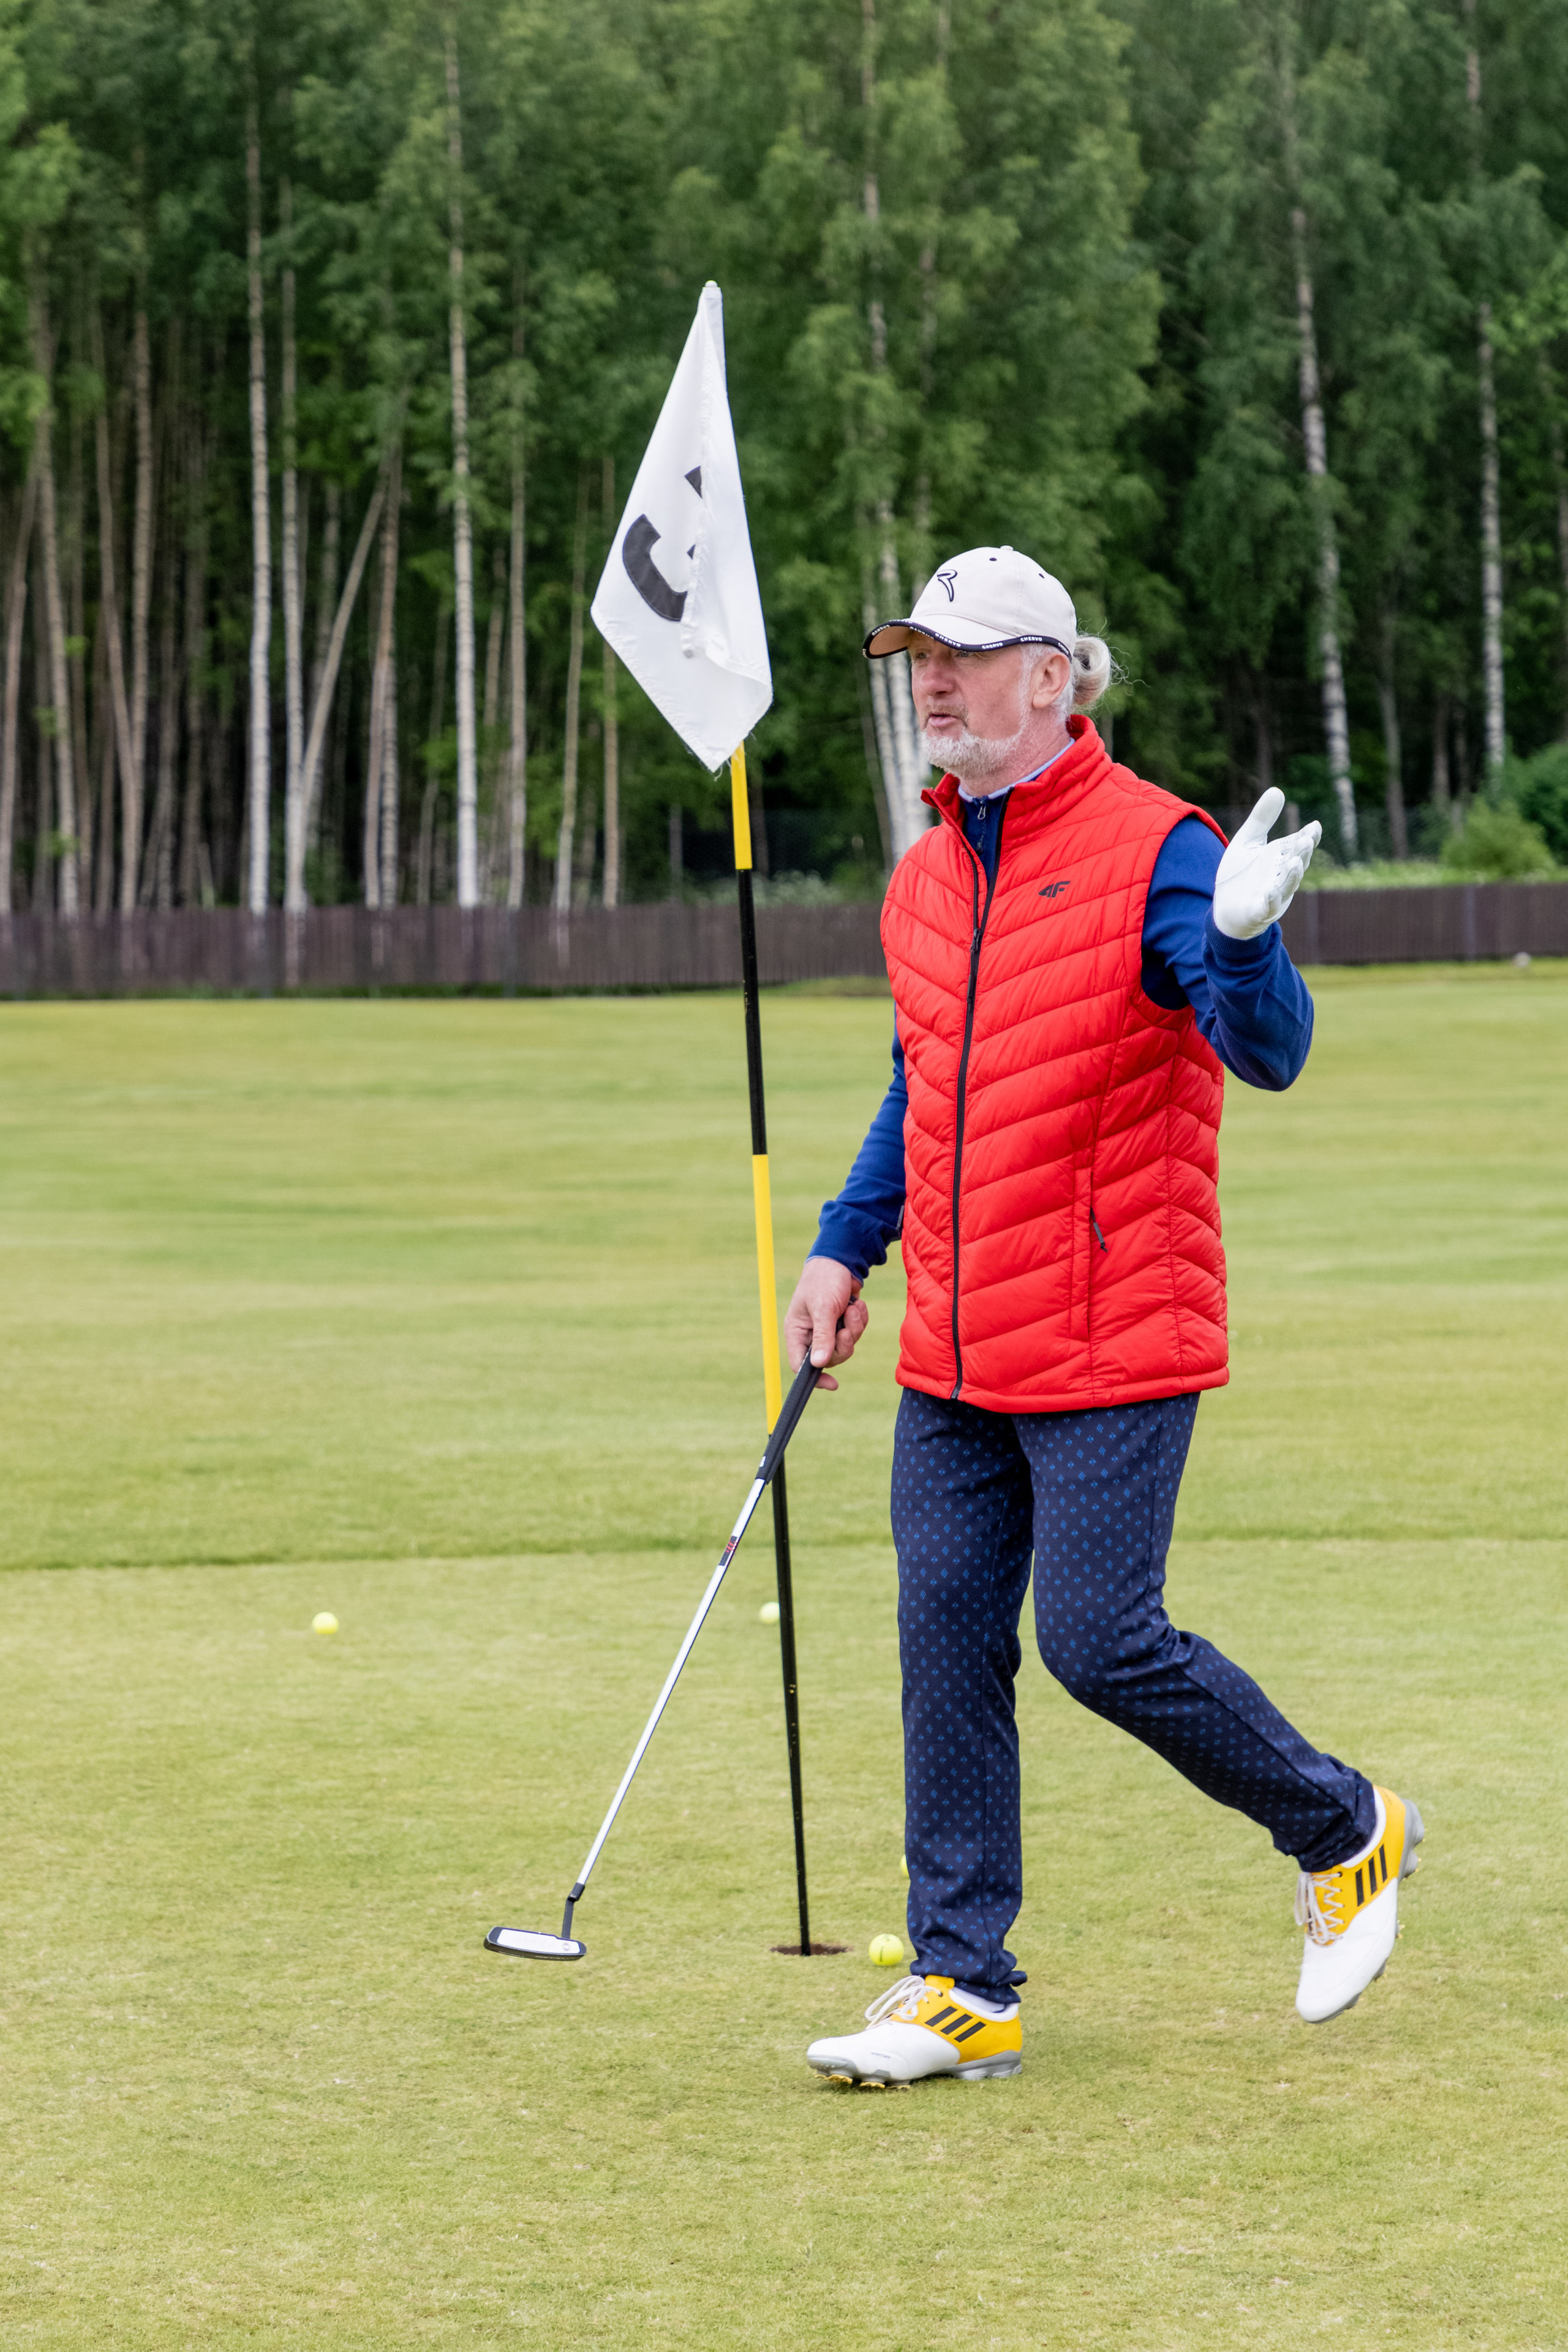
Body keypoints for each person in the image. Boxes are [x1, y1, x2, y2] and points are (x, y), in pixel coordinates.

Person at [787, 546, 1423, 2089]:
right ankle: (962, 1984)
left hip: (1110, 1327)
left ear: (1051, 676)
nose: (931, 683)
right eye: (916, 658)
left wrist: (1246, 941)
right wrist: (843, 1246)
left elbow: (1265, 1053)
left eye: (960, 656)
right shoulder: (926, 873)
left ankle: (1343, 1828)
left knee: (1097, 1641)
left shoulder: (1157, 850)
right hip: (952, 1342)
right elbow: (920, 1080)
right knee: (944, 1648)